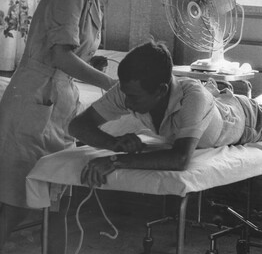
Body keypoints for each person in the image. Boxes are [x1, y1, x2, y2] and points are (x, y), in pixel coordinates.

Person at [0, 0, 143, 254]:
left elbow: (71, 52)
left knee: (59, 199)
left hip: (57, 107)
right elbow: (60, 57)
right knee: (13, 204)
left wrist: (92, 65)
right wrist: (110, 84)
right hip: (32, 106)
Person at [69, 39, 262, 189]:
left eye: (134, 98)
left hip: (250, 120)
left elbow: (180, 159)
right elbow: (77, 126)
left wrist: (114, 160)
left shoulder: (193, 98)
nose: (127, 103)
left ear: (161, 90)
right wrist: (113, 143)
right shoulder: (129, 89)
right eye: (126, 94)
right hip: (221, 105)